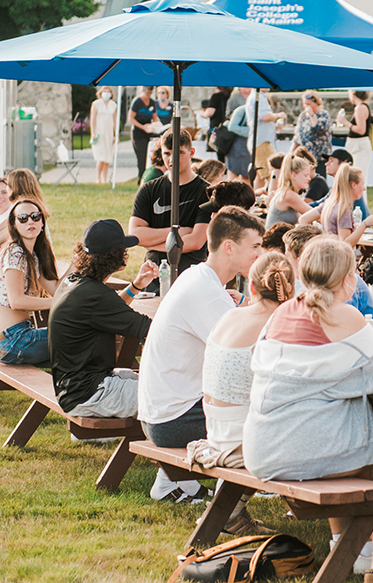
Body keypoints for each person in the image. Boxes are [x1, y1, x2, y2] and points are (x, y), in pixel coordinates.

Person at [242, 237, 373, 583]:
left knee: (366, 431)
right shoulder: (345, 314)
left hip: (263, 448)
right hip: (307, 451)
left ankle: (360, 547)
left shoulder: (282, 312)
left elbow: (315, 371)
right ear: (347, 278)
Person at [137, 207, 264, 504]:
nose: (261, 254)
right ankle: (232, 498)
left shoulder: (200, 279)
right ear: (229, 248)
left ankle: (177, 483)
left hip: (162, 410)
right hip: (171, 420)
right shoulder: (206, 292)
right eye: (255, 246)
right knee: (267, 417)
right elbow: (244, 360)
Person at [186, 252, 294, 535]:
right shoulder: (277, 327)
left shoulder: (230, 315)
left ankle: (233, 511)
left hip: (216, 429)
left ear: (252, 287)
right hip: (241, 441)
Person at [49, 220, 157, 419]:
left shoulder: (74, 283)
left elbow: (108, 309)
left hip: (74, 388)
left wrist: (136, 285)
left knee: (154, 383)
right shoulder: (95, 295)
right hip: (91, 394)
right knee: (173, 396)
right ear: (116, 256)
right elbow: (150, 330)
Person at [128, 128, 213, 293]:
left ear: (191, 152)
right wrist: (177, 232)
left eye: (179, 152)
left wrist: (151, 243)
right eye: (167, 153)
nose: (172, 159)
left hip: (191, 275)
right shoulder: (149, 190)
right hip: (153, 274)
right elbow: (135, 236)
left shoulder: (206, 192)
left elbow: (196, 242)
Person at [283, 225, 373, 329]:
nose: (284, 262)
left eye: (287, 256)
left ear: (302, 259)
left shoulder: (285, 290)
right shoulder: (352, 286)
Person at [0, 197, 60, 366]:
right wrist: (60, 302)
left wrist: (77, 263)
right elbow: (16, 301)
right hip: (13, 340)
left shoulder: (32, 256)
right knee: (81, 336)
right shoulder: (15, 252)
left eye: (35, 216)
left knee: (78, 346)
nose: (30, 222)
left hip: (19, 338)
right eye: (23, 218)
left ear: (42, 223)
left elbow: (56, 289)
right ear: (14, 224)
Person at [305, 164, 373, 247]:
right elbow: (345, 244)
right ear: (354, 185)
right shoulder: (343, 210)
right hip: (340, 258)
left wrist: (312, 245)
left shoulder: (329, 204)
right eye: (362, 184)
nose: (364, 188)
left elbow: (304, 219)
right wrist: (365, 224)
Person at [265, 150, 313, 229]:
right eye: (306, 175)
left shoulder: (285, 191)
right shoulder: (289, 195)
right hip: (276, 240)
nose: (309, 178)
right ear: (294, 175)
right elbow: (316, 215)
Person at [290, 90, 331, 177]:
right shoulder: (303, 116)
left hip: (319, 156)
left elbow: (318, 127)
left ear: (316, 103)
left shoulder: (324, 115)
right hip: (305, 156)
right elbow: (298, 136)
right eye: (305, 104)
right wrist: (291, 153)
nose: (307, 107)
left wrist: (312, 114)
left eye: (309, 104)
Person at [246, 88, 287, 171]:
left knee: (260, 175)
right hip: (262, 142)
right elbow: (265, 116)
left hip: (258, 141)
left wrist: (273, 126)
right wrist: (279, 115)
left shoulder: (256, 96)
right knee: (270, 172)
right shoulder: (258, 97)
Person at [336, 90, 373, 180]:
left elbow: (361, 130)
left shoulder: (360, 108)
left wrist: (345, 122)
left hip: (359, 146)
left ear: (353, 94)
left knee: (357, 176)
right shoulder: (361, 107)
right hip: (356, 145)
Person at [127, 86, 160, 182]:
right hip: (138, 131)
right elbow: (131, 118)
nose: (148, 94)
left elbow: (155, 116)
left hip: (148, 131)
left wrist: (158, 124)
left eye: (150, 92)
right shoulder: (137, 102)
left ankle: (148, 177)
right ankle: (141, 178)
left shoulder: (152, 102)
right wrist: (142, 127)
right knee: (141, 156)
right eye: (147, 92)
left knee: (149, 155)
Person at [90, 86, 117, 186]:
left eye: (108, 91)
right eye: (104, 91)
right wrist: (93, 132)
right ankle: (98, 178)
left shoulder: (113, 105)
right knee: (100, 156)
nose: (106, 93)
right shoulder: (96, 104)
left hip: (108, 133)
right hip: (99, 132)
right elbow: (93, 119)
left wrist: (115, 134)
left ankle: (104, 179)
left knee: (107, 157)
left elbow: (114, 121)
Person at [225, 89, 252, 181]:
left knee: (247, 174)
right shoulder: (236, 99)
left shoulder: (253, 97)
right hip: (237, 142)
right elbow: (231, 122)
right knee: (234, 174)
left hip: (247, 145)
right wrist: (250, 132)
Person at [203, 87, 233, 162]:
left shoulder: (216, 96)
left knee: (219, 155)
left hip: (218, 128)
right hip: (229, 128)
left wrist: (203, 113)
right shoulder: (232, 96)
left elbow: (209, 113)